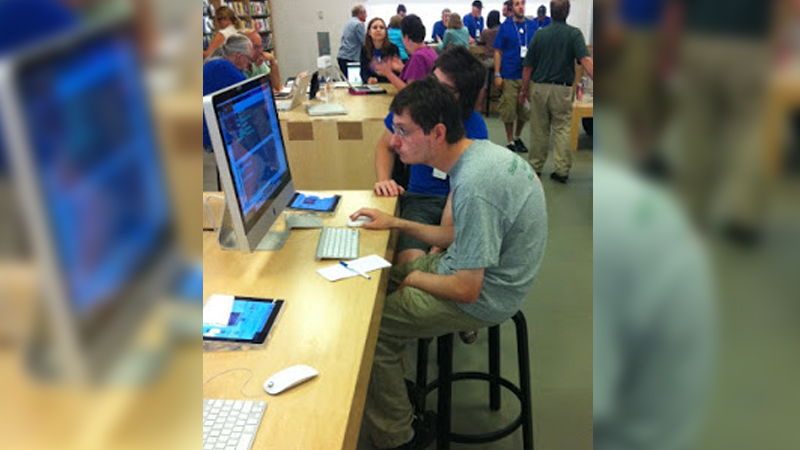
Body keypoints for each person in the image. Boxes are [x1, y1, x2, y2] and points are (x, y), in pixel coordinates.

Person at [354, 77, 547, 450]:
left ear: (437, 132)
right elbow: (455, 239)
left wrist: (416, 282)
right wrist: (394, 223)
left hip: (486, 294)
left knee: (372, 334)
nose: (394, 142)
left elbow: (466, 289)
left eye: (404, 132)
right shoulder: (476, 154)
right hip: (470, 268)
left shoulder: (475, 184)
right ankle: (391, 383)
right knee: (380, 279)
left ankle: (398, 438)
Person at [374, 47, 488, 266]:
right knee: (411, 263)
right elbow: (385, 146)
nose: (433, 91)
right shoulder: (412, 110)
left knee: (439, 268)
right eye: (432, 80)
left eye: (444, 88)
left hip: (458, 206)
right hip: (420, 200)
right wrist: (384, 180)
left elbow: (463, 190)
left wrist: (438, 247)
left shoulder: (475, 128)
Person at [520, 0, 593, 183]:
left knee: (539, 128)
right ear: (567, 12)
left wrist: (523, 90)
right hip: (562, 89)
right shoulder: (574, 34)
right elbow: (585, 60)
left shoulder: (539, 35)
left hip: (539, 87)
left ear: (550, 13)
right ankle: (561, 171)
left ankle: (535, 167)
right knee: (562, 129)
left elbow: (528, 67)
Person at [493, 0, 538, 153]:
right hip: (510, 74)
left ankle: (518, 136)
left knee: (524, 111)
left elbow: (538, 47)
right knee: (509, 110)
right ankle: (510, 140)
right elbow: (497, 51)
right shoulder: (505, 27)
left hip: (527, 76)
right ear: (512, 7)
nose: (521, 7)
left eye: (523, 3)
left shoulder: (532, 25)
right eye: (517, 4)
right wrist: (497, 74)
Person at [202, 35, 251, 151]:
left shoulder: (216, 63)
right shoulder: (222, 66)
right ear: (239, 57)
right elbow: (250, 92)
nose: (250, 64)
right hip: (209, 131)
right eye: (248, 59)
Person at [373, 14, 437, 91]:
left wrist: (388, 73)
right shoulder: (429, 51)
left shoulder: (417, 57)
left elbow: (410, 92)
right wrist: (402, 69)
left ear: (406, 37)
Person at [360, 18, 402, 85]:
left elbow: (397, 73)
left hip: (390, 84)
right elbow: (363, 72)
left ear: (386, 32)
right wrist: (368, 79)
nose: (378, 30)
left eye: (381, 28)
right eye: (375, 27)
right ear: (369, 32)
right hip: (372, 86)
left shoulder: (393, 48)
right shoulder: (364, 49)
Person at [337, 5, 367, 77]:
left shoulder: (349, 22)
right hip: (351, 57)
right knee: (354, 81)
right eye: (365, 13)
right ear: (359, 14)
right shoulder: (359, 24)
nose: (366, 15)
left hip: (342, 56)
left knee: (346, 80)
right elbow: (364, 43)